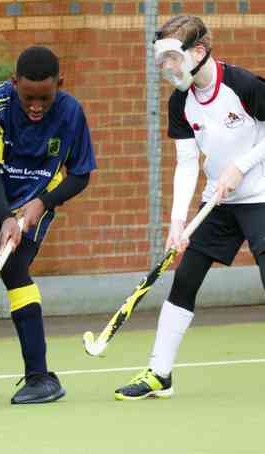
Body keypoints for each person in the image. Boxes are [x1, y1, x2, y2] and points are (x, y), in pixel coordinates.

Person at [115, 16, 265, 400]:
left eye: (173, 59)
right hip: (218, 200)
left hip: (261, 195)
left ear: (198, 52)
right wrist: (177, 224)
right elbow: (185, 164)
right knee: (185, 279)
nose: (167, 69)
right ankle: (159, 373)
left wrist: (241, 165)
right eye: (162, 61)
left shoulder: (243, 85)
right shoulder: (180, 103)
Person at [0, 46, 96, 404]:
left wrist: (41, 203)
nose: (36, 106)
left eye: (44, 97)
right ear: (14, 83)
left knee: (15, 269)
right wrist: (4, 219)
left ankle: (40, 377)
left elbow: (79, 175)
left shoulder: (71, 113)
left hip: (34, 206)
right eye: (28, 97)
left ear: (59, 84)